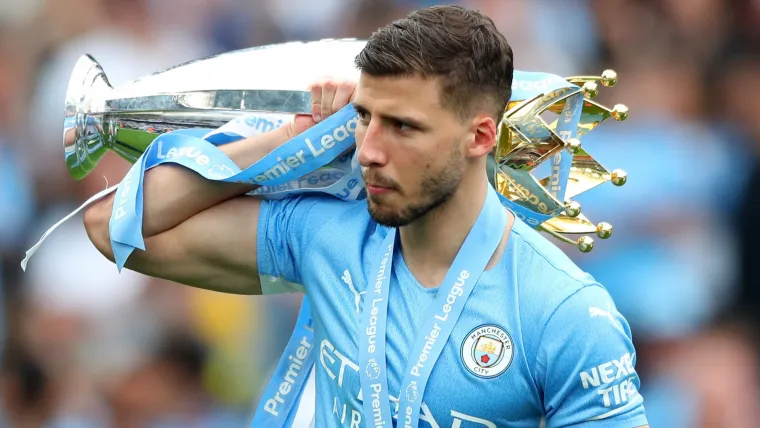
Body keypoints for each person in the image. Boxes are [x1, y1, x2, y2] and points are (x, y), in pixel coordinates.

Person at [82, 5, 649, 428]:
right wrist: (293, 140)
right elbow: (112, 226)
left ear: (480, 136)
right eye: (362, 118)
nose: (369, 150)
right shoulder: (323, 236)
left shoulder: (564, 312)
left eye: (402, 126)